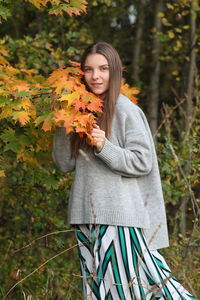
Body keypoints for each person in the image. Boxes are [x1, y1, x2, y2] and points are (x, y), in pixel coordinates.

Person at [52, 42, 196, 300]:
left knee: (145, 288)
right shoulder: (80, 109)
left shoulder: (126, 109)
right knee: (100, 293)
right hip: (85, 217)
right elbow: (64, 163)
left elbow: (143, 162)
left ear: (115, 71)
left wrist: (104, 146)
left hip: (119, 218)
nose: (95, 76)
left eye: (103, 69)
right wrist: (64, 119)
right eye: (89, 69)